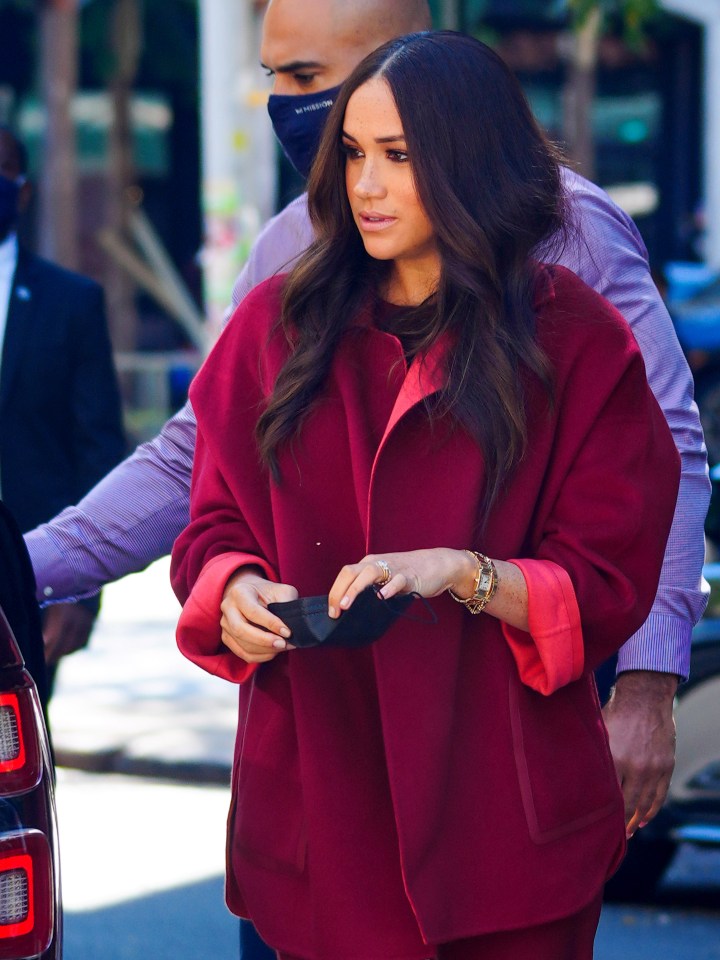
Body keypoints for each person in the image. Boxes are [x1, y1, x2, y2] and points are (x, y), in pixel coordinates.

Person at [170, 32, 680, 959]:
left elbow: (606, 575)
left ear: (470, 161)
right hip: (320, 807)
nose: (366, 186)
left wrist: (463, 573)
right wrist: (233, 589)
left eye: (399, 158)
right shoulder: (273, 327)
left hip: (505, 827)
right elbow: (211, 524)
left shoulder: (580, 341)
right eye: (355, 154)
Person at [0, 126, 125, 700]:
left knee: (18, 766)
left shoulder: (71, 302)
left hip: (30, 585)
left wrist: (80, 590)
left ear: (22, 191)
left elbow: (96, 443)